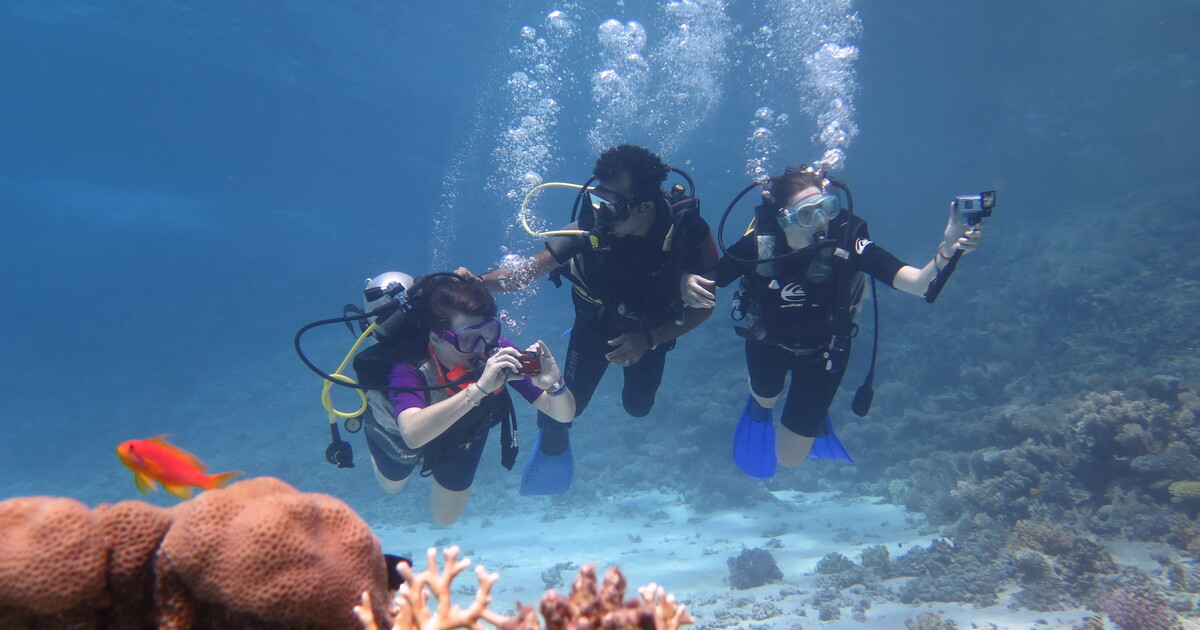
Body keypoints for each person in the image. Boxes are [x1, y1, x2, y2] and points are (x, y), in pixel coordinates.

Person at [688, 165, 986, 478]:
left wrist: (950, 248)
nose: (821, 222)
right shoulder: (759, 246)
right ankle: (761, 404)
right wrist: (686, 280)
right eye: (806, 214)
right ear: (782, 218)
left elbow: (920, 284)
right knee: (766, 397)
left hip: (825, 352)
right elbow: (710, 280)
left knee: (789, 459)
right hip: (767, 343)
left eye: (827, 208)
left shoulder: (848, 237)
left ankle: (806, 414)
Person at [458, 144, 719, 495]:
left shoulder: (689, 230)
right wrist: (477, 282)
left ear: (644, 206)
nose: (600, 215)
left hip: (651, 329)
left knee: (638, 408)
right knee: (566, 409)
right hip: (594, 323)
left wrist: (649, 339)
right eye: (597, 201)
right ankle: (552, 440)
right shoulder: (589, 227)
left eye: (612, 207)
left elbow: (705, 307)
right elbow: (525, 273)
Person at [351, 272, 574, 524]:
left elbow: (563, 414)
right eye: (467, 338)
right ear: (436, 337)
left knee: (447, 519)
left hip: (462, 431)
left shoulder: (498, 350)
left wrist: (555, 385)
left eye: (488, 331)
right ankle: (373, 422)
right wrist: (479, 389)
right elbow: (413, 435)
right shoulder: (407, 364)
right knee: (393, 486)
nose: (481, 347)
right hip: (400, 430)